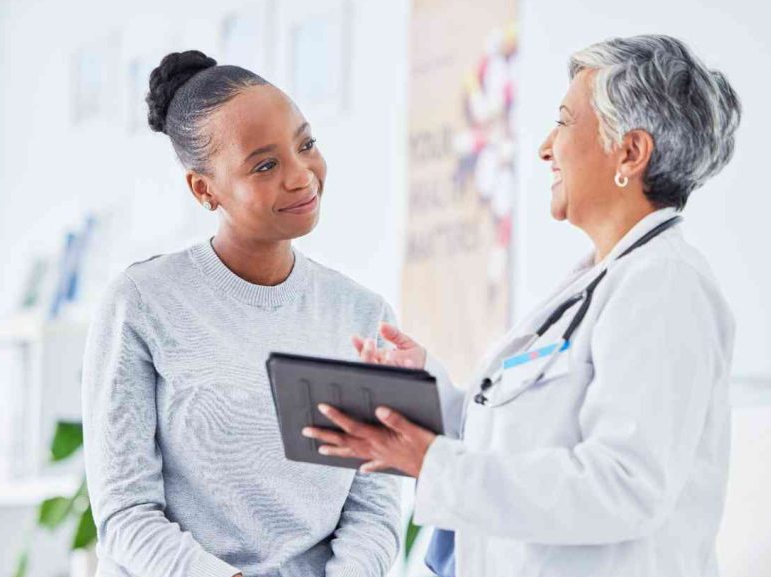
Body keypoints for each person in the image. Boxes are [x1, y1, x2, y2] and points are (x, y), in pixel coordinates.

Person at [304, 34, 741, 576]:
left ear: (629, 152)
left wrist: (432, 463)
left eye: (564, 121)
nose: (544, 147)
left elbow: (625, 486)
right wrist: (424, 391)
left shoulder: (665, 287)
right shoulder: (600, 281)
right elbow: (518, 440)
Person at [82, 50, 401, 577]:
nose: (302, 176)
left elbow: (375, 506)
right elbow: (125, 513)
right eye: (266, 165)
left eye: (307, 145)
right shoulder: (140, 302)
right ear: (204, 189)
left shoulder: (363, 315)